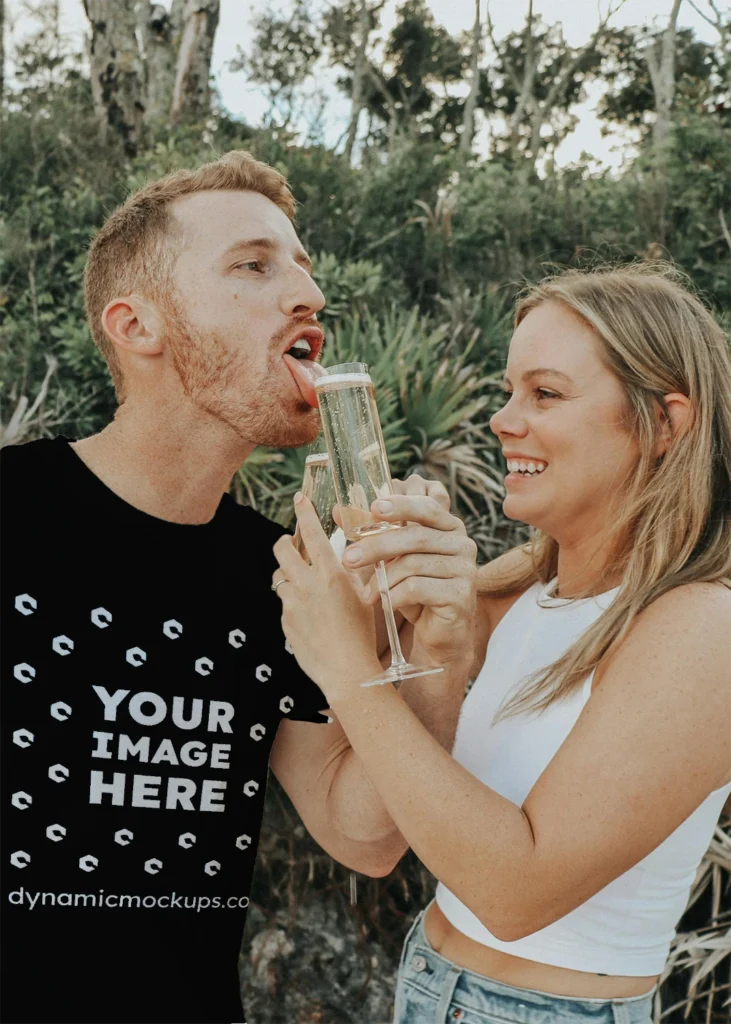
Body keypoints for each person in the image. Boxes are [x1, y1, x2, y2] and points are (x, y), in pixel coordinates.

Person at [0, 150, 474, 1024]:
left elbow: (362, 835)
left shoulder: (285, 575)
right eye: (253, 266)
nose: (307, 295)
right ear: (136, 325)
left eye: (302, 267)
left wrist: (441, 648)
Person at [273, 264, 731, 1024]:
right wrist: (421, 633)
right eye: (509, 390)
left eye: (544, 393)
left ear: (665, 423)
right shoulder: (517, 586)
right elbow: (367, 824)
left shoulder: (702, 626)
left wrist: (348, 667)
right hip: (426, 977)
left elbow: (516, 892)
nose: (502, 419)